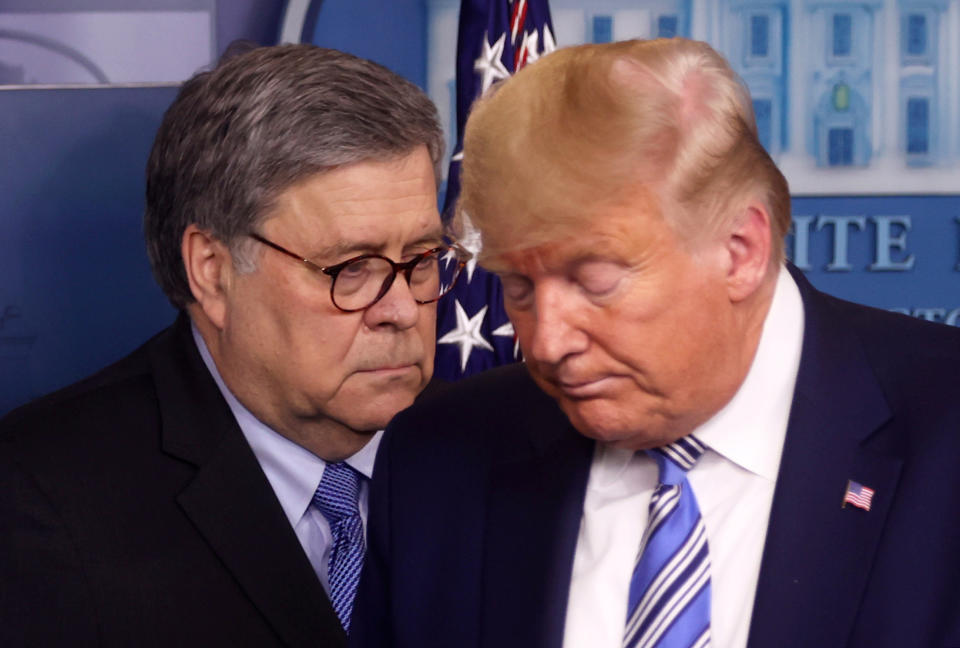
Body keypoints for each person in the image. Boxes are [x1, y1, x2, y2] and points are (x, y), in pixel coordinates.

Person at [351, 38, 960, 648]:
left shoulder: (944, 433)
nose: (547, 342)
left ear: (739, 251)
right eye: (519, 286)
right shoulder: (439, 460)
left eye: (595, 281)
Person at [0, 44, 465, 647]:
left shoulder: (485, 452)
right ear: (213, 271)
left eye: (422, 260)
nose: (403, 310)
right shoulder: (41, 503)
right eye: (351, 268)